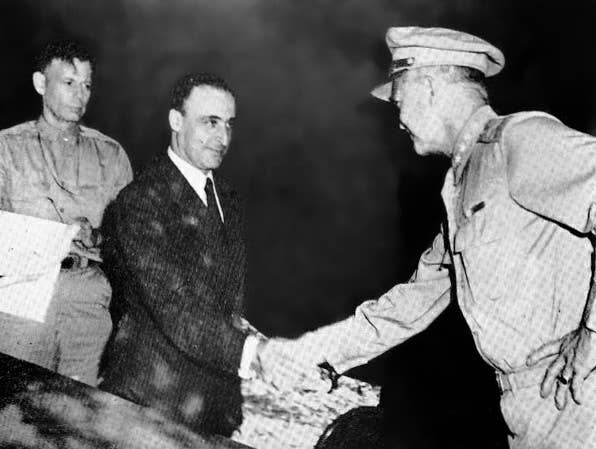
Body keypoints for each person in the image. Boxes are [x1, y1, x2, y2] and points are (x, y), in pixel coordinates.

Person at [256, 27, 596, 448]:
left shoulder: (518, 142)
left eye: (399, 100)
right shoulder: (462, 187)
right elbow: (407, 306)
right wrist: (308, 354)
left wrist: (592, 337)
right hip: (531, 406)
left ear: (430, 86)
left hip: (581, 401)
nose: (397, 118)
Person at [100, 73, 257, 437]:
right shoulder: (141, 201)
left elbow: (226, 301)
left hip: (211, 405)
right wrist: (257, 355)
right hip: (152, 401)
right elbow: (177, 310)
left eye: (229, 125)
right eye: (210, 122)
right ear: (176, 121)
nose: (222, 138)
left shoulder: (228, 200)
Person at [0, 40, 133, 386]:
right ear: (41, 84)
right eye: (69, 83)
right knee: (16, 413)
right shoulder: (6, 148)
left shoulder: (111, 156)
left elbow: (131, 239)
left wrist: (101, 237)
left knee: (79, 419)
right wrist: (57, 237)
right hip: (23, 296)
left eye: (87, 85)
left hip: (88, 299)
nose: (81, 95)